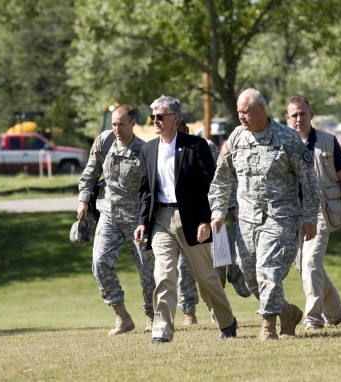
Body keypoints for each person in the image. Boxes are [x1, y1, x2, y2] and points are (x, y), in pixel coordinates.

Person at [209, 88, 320, 341]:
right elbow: (222, 178)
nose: (241, 117)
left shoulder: (287, 138)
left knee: (268, 271)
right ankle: (288, 313)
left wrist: (310, 217)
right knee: (251, 281)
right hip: (246, 221)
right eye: (238, 112)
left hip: (281, 217)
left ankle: (268, 326)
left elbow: (309, 180)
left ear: (261, 110)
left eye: (245, 112)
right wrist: (217, 212)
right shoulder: (236, 138)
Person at [134, 95, 237, 343]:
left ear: (175, 118)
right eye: (153, 117)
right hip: (160, 219)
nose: (155, 121)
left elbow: (212, 187)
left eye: (160, 117)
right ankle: (161, 331)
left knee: (206, 278)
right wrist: (141, 221)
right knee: (164, 275)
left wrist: (205, 220)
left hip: (191, 218)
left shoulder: (196, 146)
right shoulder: (148, 149)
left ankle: (226, 322)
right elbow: (145, 191)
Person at [76, 104, 155, 335]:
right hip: (108, 214)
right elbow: (90, 173)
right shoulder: (104, 142)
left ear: (132, 123)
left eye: (121, 124)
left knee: (147, 270)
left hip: (137, 218)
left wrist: (147, 219)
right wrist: (83, 200)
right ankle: (121, 316)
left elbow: (151, 189)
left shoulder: (145, 150)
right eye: (114, 124)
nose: (117, 129)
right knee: (100, 263)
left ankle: (152, 315)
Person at [285, 95, 341, 331]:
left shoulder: (328, 141)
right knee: (306, 266)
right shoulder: (282, 143)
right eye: (294, 115)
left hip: (320, 215)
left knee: (310, 263)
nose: (299, 119)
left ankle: (314, 319)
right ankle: (335, 311)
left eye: (303, 113)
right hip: (291, 216)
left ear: (311, 115)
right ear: (288, 118)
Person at [175, 119, 250, 326]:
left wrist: (232, 207)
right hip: (181, 217)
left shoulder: (205, 147)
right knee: (184, 267)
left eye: (179, 131)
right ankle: (188, 310)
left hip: (210, 215)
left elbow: (225, 178)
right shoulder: (164, 148)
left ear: (186, 130)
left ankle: (219, 309)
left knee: (218, 266)